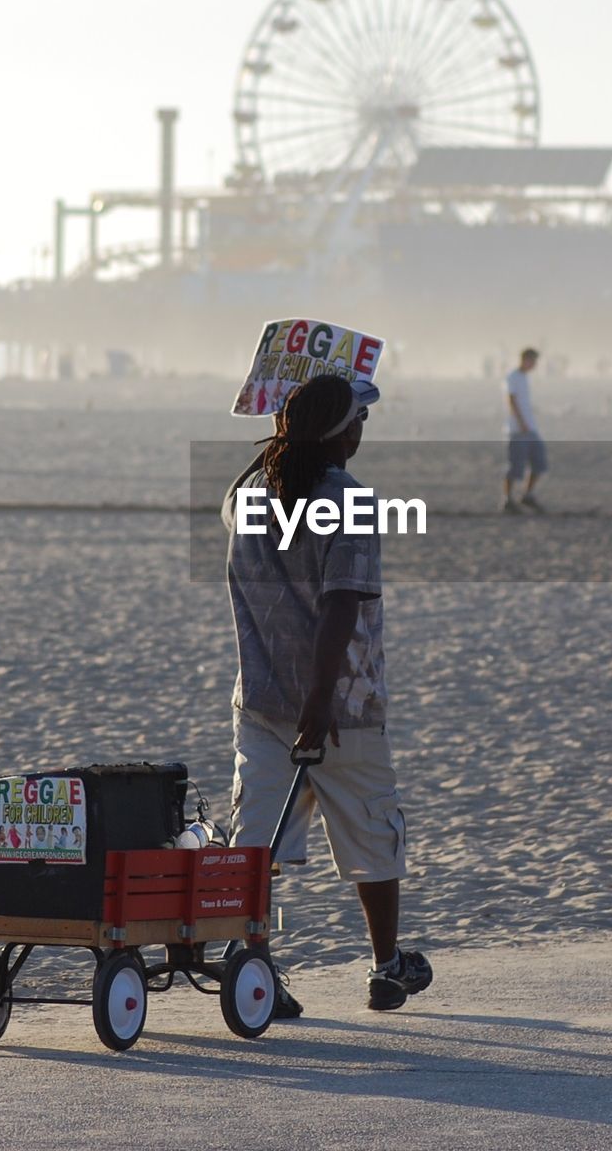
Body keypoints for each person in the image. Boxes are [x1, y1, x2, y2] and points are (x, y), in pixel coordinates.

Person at [221, 374, 432, 1014]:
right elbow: (341, 604)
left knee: (255, 843)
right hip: (343, 705)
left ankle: (253, 966)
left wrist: (279, 433)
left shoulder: (251, 495)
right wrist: (320, 700)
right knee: (373, 832)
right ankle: (386, 965)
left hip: (260, 701)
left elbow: (236, 490)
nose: (362, 430)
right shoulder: (350, 499)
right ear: (343, 432)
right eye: (357, 421)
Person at [503, 347, 548, 513]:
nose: (535, 365)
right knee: (516, 466)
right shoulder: (512, 377)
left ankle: (528, 495)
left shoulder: (524, 378)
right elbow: (511, 400)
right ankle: (508, 499)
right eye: (533, 361)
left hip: (530, 427)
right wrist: (521, 422)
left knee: (539, 462)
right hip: (518, 429)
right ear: (525, 359)